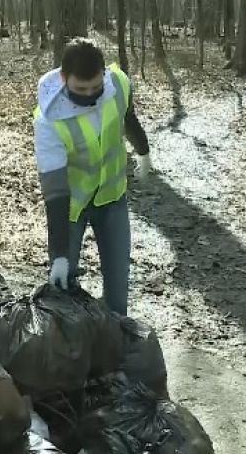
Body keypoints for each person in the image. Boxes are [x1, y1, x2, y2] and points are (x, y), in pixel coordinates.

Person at [32, 38, 152, 317]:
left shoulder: (119, 84)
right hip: (71, 207)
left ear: (105, 76)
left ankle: (114, 345)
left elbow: (128, 117)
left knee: (118, 292)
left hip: (112, 198)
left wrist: (144, 152)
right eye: (80, 89)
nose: (89, 95)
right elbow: (55, 189)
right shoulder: (48, 120)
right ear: (64, 79)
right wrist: (60, 254)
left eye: (95, 88)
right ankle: (68, 350)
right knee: (62, 288)